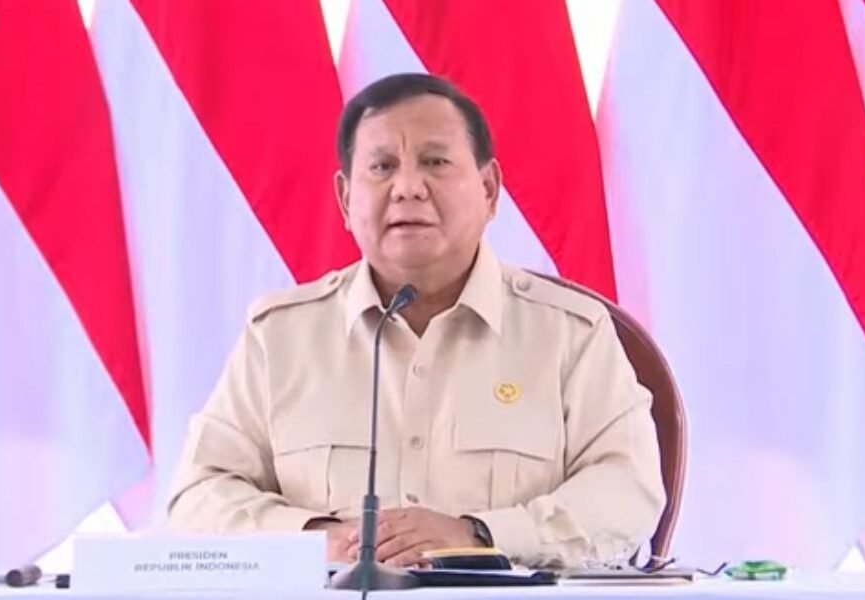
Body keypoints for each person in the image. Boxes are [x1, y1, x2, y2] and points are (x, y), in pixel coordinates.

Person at [167, 73, 665, 569]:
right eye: (382, 167)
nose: (407, 188)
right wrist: (317, 539)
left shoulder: (569, 333)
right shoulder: (280, 336)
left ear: (489, 190)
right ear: (345, 199)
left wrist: (479, 535)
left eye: (435, 162)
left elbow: (630, 491)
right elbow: (199, 494)